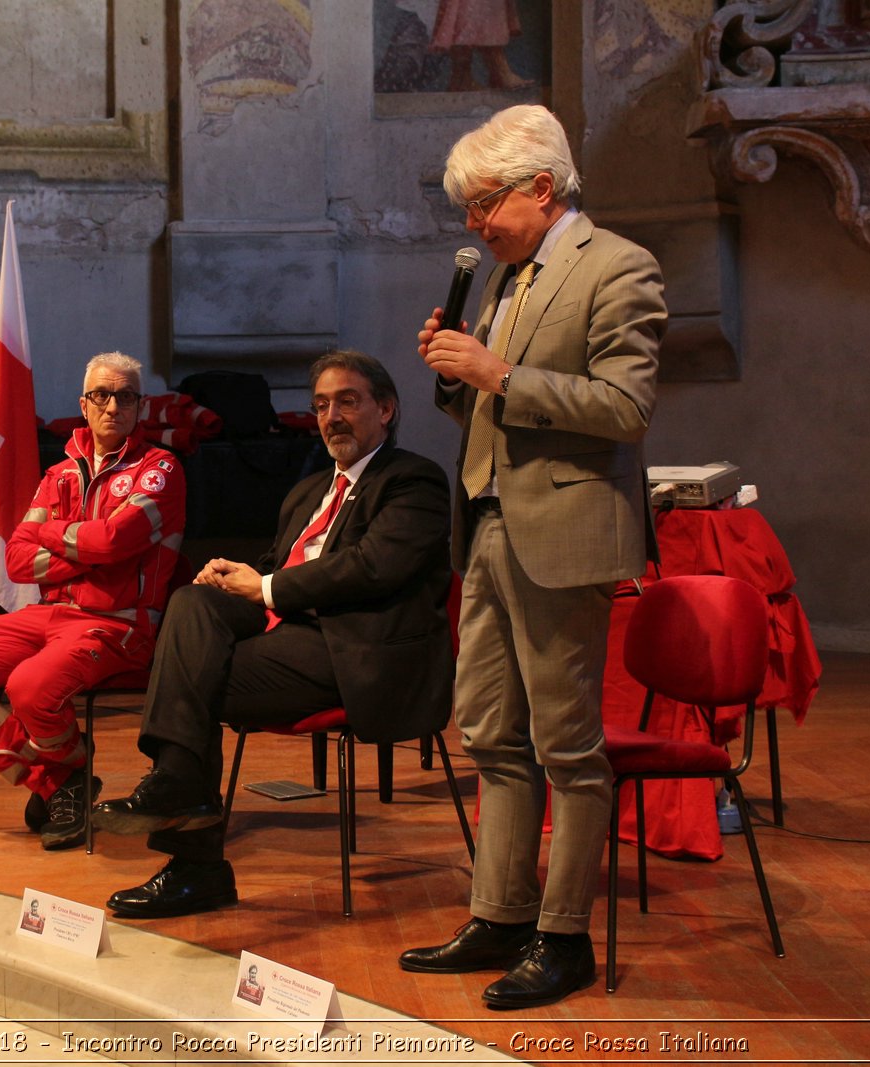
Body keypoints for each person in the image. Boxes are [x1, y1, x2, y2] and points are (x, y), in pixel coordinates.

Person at [405, 104, 664, 1010]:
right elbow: (490, 406)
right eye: (468, 210)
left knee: (567, 746)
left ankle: (565, 937)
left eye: (483, 205)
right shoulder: (507, 281)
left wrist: (496, 374)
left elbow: (625, 409)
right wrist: (457, 379)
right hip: (483, 526)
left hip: (560, 535)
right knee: (489, 734)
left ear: (541, 188)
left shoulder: (618, 267)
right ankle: (500, 913)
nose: (473, 225)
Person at [92, 350, 453, 918]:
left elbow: (371, 567)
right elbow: (274, 566)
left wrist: (262, 587)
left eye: (347, 401)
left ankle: (193, 853)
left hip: (355, 650)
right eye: (321, 405)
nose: (331, 416)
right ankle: (181, 801)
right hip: (287, 636)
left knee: (194, 681)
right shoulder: (307, 491)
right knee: (194, 599)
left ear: (386, 409)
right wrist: (234, 579)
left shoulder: (413, 481)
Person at [0, 353, 185, 850]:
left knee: (29, 685)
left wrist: (52, 533)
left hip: (117, 622)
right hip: (46, 615)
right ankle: (63, 781)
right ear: (84, 404)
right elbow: (20, 559)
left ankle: (61, 782)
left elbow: (112, 541)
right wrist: (93, 552)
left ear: (140, 406)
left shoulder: (160, 469)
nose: (112, 406)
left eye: (125, 396)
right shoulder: (59, 473)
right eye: (101, 395)